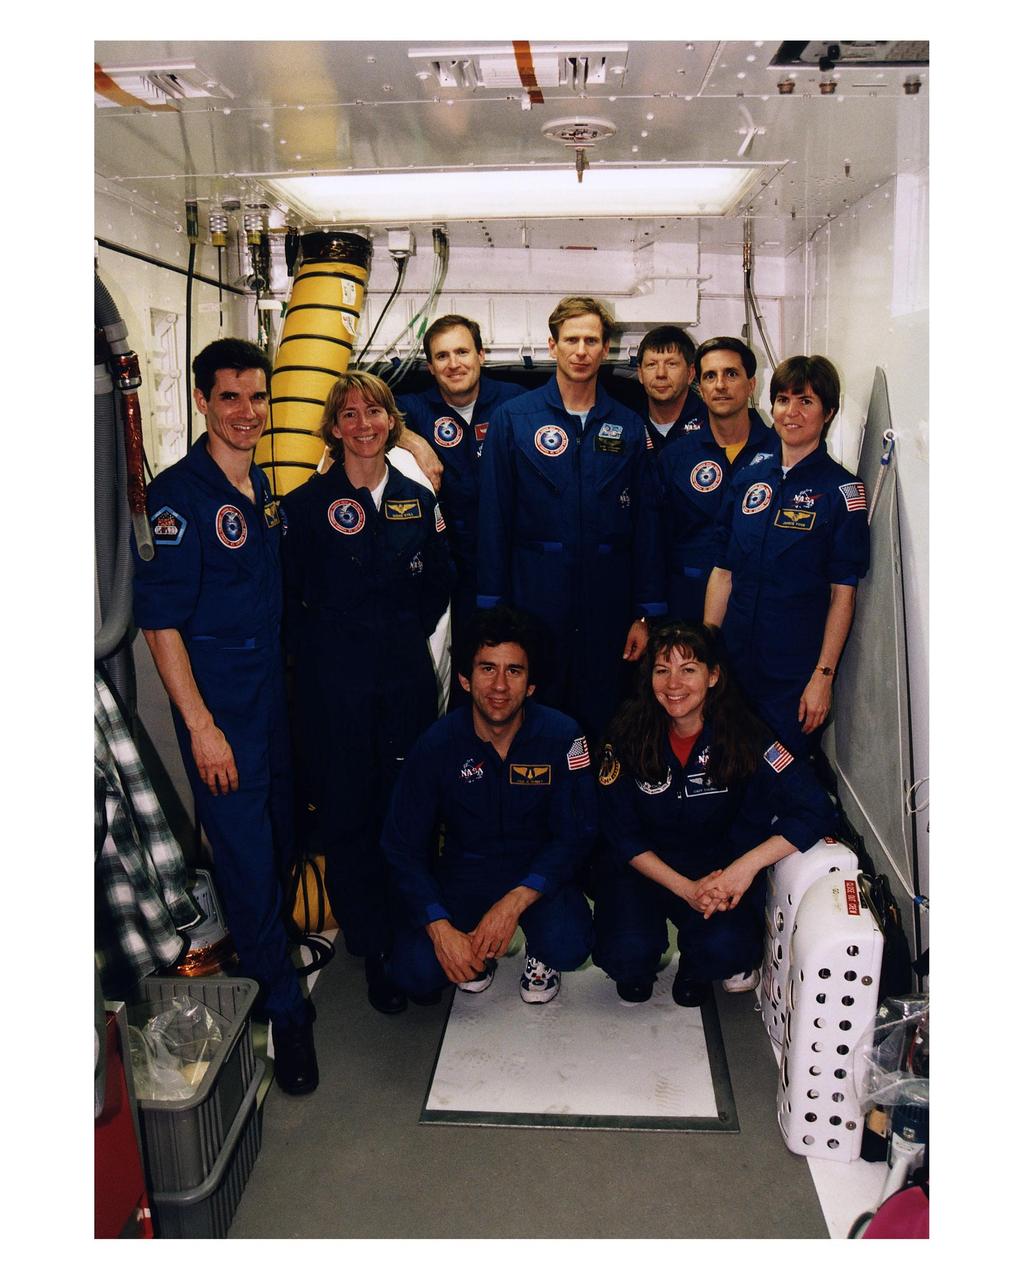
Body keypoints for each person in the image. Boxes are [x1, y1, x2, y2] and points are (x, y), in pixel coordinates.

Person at [131, 337, 317, 1095]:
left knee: (276, 843)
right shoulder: (178, 497)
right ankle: (287, 1017)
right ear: (203, 400)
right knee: (243, 856)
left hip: (271, 700)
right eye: (232, 397)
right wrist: (202, 726)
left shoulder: (262, 488)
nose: (249, 412)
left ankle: (263, 958)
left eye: (259, 396)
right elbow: (159, 623)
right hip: (224, 714)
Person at [280, 370, 453, 1015]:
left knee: (406, 810)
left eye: (373, 412)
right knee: (350, 816)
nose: (362, 425)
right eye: (348, 415)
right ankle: (373, 947)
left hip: (402, 678)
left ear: (390, 421)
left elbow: (439, 584)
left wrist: (396, 633)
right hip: (336, 689)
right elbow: (290, 605)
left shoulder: (418, 501)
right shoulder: (302, 508)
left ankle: (415, 933)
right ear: (333, 427)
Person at [593, 620, 836, 1006]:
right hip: (646, 868)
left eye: (688, 669)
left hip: (718, 873)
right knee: (624, 954)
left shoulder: (746, 733)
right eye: (662, 670)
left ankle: (696, 963)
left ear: (712, 676)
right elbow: (619, 833)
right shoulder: (625, 732)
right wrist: (685, 890)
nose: (673, 684)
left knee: (729, 949)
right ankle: (638, 959)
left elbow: (814, 806)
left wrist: (745, 868)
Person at [381, 606, 596, 1006]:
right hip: (466, 870)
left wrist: (517, 900)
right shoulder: (436, 745)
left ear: (531, 684)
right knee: (414, 971)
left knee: (569, 943)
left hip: (538, 872)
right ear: (464, 679)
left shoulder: (563, 736)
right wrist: (439, 926)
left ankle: (540, 952)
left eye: (514, 670)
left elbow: (577, 833)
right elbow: (401, 845)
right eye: (487, 669)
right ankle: (475, 954)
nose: (500, 685)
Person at [476, 295, 666, 741]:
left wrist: (646, 613)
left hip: (608, 603)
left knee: (605, 718)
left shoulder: (628, 425)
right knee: (536, 721)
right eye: (572, 340)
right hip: (534, 598)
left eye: (592, 341)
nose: (581, 350)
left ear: (605, 350)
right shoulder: (513, 420)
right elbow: (493, 519)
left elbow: (648, 526)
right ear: (552, 346)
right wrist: (493, 612)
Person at [704, 354, 870, 755]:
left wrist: (823, 678)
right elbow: (723, 572)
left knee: (783, 779)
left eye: (806, 402)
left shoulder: (842, 493)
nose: (791, 413)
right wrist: (705, 653)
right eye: (783, 400)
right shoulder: (747, 479)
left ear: (828, 412)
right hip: (735, 664)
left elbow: (842, 595)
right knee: (729, 768)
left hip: (793, 673)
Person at [398, 315, 522, 679]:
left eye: (463, 352)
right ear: (429, 367)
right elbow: (368, 414)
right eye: (442, 356)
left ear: (481, 355)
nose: (454, 364)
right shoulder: (415, 409)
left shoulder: (517, 403)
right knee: (461, 668)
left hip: (511, 563)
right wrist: (415, 441)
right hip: (452, 567)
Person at [654, 336, 777, 622]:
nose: (720, 384)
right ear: (701, 388)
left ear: (751, 385)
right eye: (710, 376)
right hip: (687, 607)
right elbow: (654, 542)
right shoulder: (675, 458)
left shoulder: (779, 453)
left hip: (758, 611)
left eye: (731, 374)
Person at [636, 324, 708, 453]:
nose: (661, 374)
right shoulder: (628, 424)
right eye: (652, 365)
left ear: (690, 373)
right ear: (640, 374)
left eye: (671, 364)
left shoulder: (713, 424)